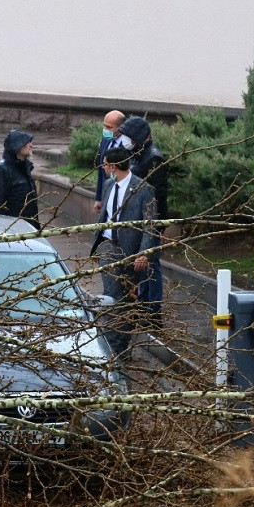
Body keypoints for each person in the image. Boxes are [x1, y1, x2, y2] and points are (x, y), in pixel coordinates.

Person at [89, 141, 159, 360]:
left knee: (126, 301)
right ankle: (113, 348)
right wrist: (99, 246)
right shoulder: (109, 186)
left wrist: (143, 253)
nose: (103, 167)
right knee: (112, 297)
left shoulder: (143, 189)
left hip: (130, 252)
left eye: (105, 164)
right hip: (108, 248)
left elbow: (150, 224)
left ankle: (119, 348)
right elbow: (105, 217)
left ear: (114, 167)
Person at [119, 115, 169, 327]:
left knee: (151, 265)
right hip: (137, 220)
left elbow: (154, 197)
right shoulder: (137, 154)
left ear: (139, 137)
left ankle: (153, 311)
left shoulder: (153, 159)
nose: (124, 140)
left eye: (128, 136)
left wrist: (153, 225)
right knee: (142, 266)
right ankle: (142, 305)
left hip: (150, 222)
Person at [0, 129, 40, 230]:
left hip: (29, 228)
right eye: (27, 142)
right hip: (13, 231)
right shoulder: (1, 170)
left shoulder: (24, 168)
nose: (31, 145)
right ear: (17, 146)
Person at [93, 110, 125, 213]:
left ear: (121, 128)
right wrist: (98, 198)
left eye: (109, 127)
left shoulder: (128, 145)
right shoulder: (105, 139)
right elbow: (101, 169)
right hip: (106, 194)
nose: (105, 130)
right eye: (104, 126)